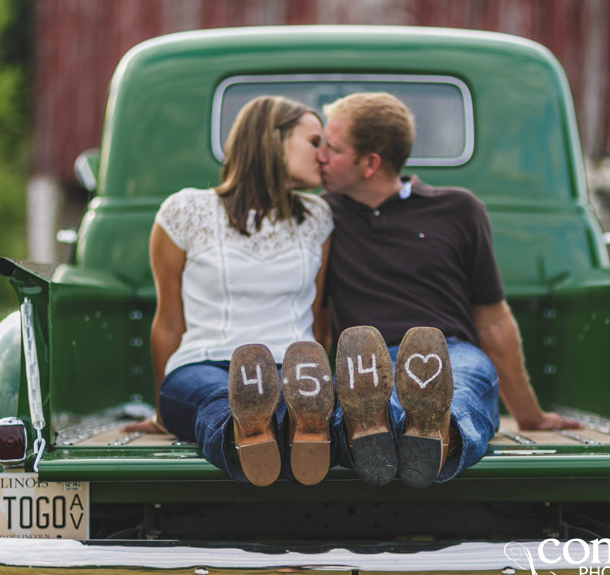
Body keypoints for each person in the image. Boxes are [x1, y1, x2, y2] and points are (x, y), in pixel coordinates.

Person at [317, 92, 580, 488]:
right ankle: (389, 434)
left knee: (456, 393)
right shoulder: (321, 218)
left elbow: (492, 320)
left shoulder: (458, 210)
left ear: (370, 163)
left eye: (332, 149)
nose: (320, 156)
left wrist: (530, 415)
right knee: (363, 402)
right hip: (366, 362)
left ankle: (434, 434)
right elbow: (315, 318)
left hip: (449, 353)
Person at [123, 96, 336, 487]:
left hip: (291, 369)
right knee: (222, 402)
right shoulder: (184, 211)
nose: (323, 155)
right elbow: (168, 322)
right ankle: (249, 438)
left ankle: (303, 429)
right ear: (273, 141)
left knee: (310, 404)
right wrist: (162, 413)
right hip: (204, 364)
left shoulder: (318, 217)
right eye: (314, 141)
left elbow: (317, 315)